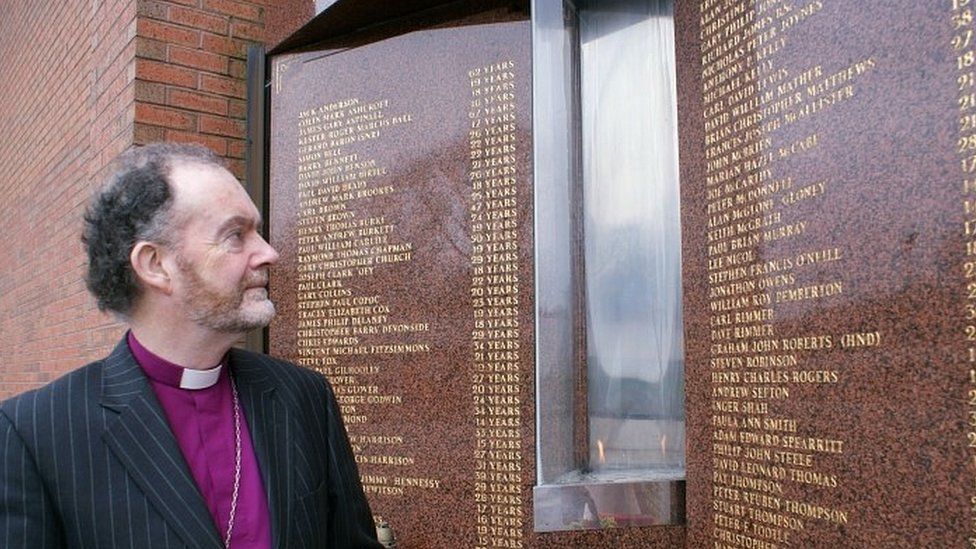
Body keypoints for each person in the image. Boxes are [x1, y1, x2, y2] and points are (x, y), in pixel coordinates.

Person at [0, 143, 382, 548]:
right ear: (155, 265)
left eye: (258, 231)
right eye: (236, 235)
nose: (268, 253)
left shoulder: (304, 396)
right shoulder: (34, 434)